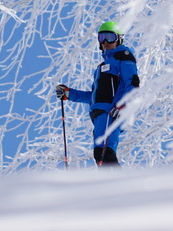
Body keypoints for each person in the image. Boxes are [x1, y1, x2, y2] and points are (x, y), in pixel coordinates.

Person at [56, 21, 139, 167]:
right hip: (99, 113)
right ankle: (108, 185)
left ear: (119, 39)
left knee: (106, 152)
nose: (106, 42)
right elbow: (94, 96)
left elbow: (132, 82)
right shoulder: (101, 68)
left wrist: (123, 106)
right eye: (102, 38)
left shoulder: (123, 57)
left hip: (112, 111)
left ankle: (119, 185)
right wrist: (69, 94)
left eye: (110, 37)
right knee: (99, 154)